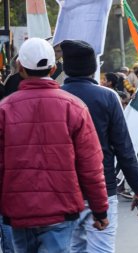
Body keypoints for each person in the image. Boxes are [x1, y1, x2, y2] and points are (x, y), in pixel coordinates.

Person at [0, 37, 109, 252]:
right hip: (61, 210)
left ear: (20, 66)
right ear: (52, 68)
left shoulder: (4, 109)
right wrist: (100, 210)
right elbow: (91, 166)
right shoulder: (74, 107)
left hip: (18, 211)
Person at [59, 40, 138, 253]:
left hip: (65, 190)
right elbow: (123, 148)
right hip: (102, 186)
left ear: (65, 68)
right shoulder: (108, 97)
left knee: (72, 248)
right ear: (93, 69)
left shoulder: (56, 98)